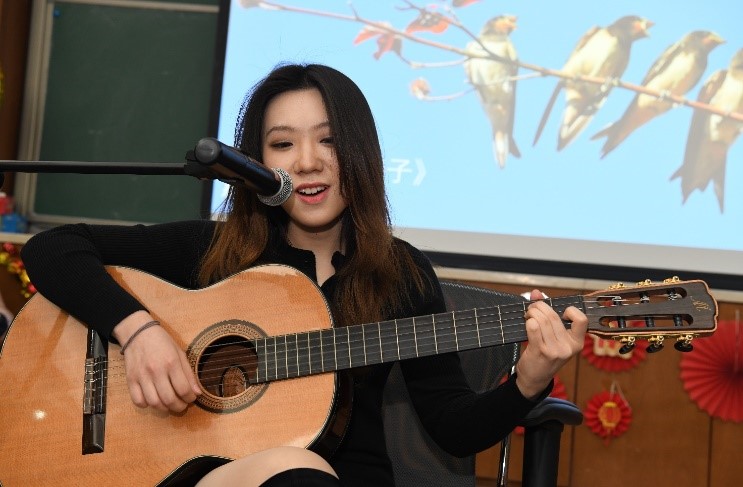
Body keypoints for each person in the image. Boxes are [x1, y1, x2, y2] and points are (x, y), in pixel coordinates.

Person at [20, 63, 588, 486]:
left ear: (360, 154)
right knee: (295, 471)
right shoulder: (213, 251)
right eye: (282, 144)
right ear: (255, 163)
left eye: (329, 140)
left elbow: (452, 429)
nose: (307, 161)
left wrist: (529, 379)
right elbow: (53, 248)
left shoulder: (399, 273)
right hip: (204, 476)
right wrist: (138, 331)